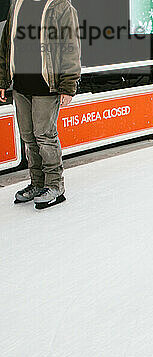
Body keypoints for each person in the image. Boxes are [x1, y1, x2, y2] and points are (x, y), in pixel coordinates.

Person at [0, 0, 81, 209]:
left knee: (45, 136)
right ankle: (37, 183)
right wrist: (2, 80)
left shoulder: (61, 6)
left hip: (47, 85)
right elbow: (6, 43)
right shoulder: (17, 3)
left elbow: (70, 46)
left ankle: (55, 185)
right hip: (21, 84)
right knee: (28, 136)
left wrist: (68, 85)